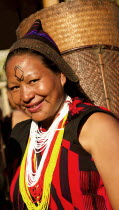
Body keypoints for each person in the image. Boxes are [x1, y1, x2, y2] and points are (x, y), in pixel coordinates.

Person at [4, 19, 119, 210]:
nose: (25, 96)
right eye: (15, 87)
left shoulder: (95, 127)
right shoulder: (20, 135)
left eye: (33, 81)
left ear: (61, 76)